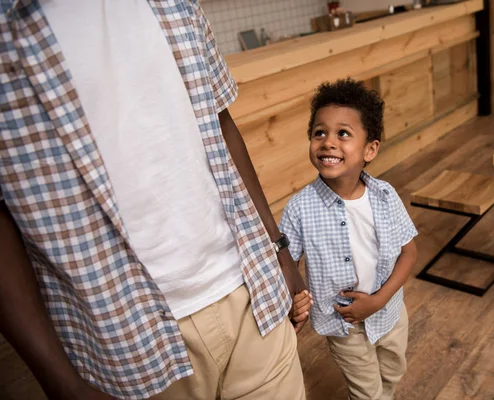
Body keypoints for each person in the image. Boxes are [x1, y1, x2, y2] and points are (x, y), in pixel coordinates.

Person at [0, 1, 311, 399]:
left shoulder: (176, 3)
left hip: (248, 289)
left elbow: (220, 120)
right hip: (122, 338)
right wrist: (60, 380)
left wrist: (278, 250)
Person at [279, 79, 418, 400]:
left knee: (393, 374)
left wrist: (379, 300)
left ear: (370, 149)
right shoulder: (300, 208)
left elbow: (409, 253)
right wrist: (293, 301)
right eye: (319, 132)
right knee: (367, 392)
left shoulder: (385, 196)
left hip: (390, 313)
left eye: (343, 133)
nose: (328, 142)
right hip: (343, 325)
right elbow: (286, 265)